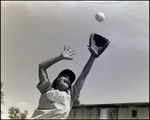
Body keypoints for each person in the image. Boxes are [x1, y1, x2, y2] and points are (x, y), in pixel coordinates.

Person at [31, 33, 110, 119]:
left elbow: (83, 75)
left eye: (70, 80)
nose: (68, 79)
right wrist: (60, 57)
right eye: (65, 76)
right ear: (57, 79)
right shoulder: (47, 89)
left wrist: (93, 56)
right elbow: (42, 67)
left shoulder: (71, 95)